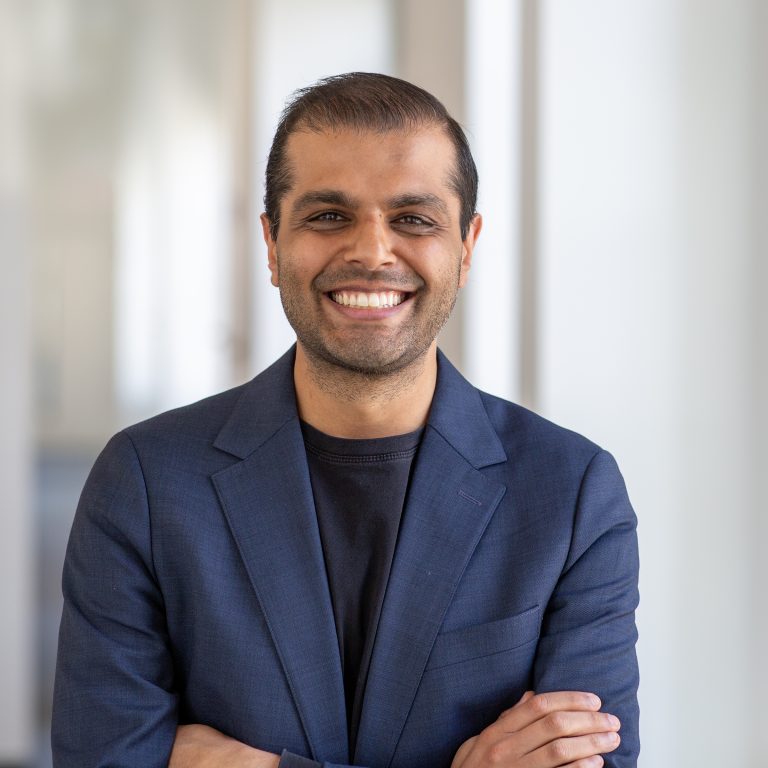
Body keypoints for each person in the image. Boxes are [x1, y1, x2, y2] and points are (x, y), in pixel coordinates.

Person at [52, 73, 639, 767]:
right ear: (271, 244)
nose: (371, 251)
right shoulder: (147, 483)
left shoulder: (572, 492)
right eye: (329, 216)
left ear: (467, 247)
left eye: (414, 219)